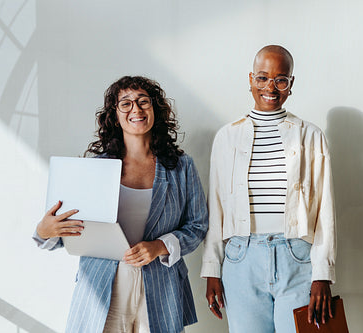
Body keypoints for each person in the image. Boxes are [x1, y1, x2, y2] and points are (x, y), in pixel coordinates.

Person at [33, 76, 208, 333]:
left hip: (161, 286)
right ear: (115, 115)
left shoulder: (182, 167)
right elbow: (71, 230)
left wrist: (160, 246)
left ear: (156, 111)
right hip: (102, 286)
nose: (136, 109)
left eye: (143, 102)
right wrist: (44, 231)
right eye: (125, 104)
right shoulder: (93, 168)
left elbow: (197, 225)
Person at [201, 45, 337, 333]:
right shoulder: (227, 137)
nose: (270, 88)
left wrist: (322, 275)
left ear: (290, 84)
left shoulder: (311, 136)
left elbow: (325, 209)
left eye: (280, 79)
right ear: (250, 79)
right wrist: (212, 269)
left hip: (298, 257)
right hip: (241, 258)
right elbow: (217, 207)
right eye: (262, 78)